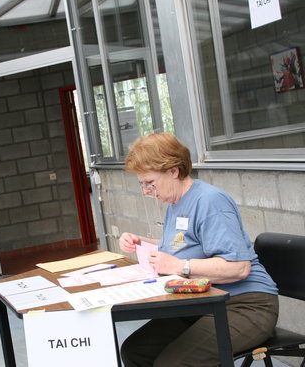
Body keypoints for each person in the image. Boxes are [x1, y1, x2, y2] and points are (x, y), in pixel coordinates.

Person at [119, 132, 278, 367]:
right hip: (203, 301)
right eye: (142, 184)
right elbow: (182, 247)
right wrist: (139, 242)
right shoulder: (175, 202)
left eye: (149, 183)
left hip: (245, 305)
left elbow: (239, 267)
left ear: (173, 171)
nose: (145, 191)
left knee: (173, 364)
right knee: (136, 350)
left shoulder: (210, 201)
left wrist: (179, 266)